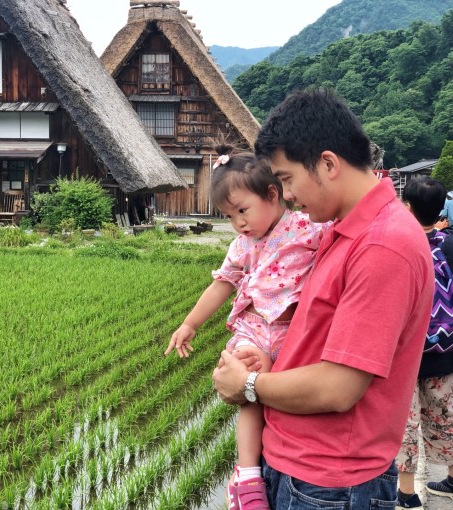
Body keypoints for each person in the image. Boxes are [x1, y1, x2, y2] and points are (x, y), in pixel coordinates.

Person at [212, 88, 434, 509]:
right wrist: (270, 361)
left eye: (287, 179)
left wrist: (250, 385)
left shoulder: (382, 245)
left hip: (329, 484)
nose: (287, 196)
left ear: (328, 164)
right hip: (301, 468)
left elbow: (338, 387)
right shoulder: (339, 229)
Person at [164, 145, 326, 509]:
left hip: (289, 331)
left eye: (242, 210)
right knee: (250, 391)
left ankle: (272, 462)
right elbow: (222, 283)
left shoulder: (306, 225)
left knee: (282, 395)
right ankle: (248, 473)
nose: (239, 222)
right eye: (229, 216)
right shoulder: (242, 244)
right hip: (253, 329)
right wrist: (190, 323)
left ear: (273, 194)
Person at [396, 176, 453, 510]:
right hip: (445, 353)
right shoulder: (449, 244)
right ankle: (450, 477)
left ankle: (406, 495)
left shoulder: (402, 245)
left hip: (407, 354)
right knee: (446, 414)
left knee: (405, 421)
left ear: (407, 207)